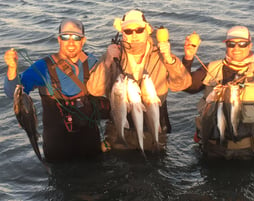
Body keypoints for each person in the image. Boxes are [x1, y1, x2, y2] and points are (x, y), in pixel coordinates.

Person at [4, 18, 110, 162]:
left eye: (76, 38)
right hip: (58, 150)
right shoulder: (43, 67)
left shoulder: (91, 62)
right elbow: (13, 92)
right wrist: (12, 68)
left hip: (91, 146)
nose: (71, 43)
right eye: (65, 37)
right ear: (59, 40)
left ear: (83, 40)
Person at [87, 9, 192, 152]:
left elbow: (182, 84)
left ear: (147, 30)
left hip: (153, 124)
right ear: (122, 33)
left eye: (139, 30)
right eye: (128, 31)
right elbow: (94, 90)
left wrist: (169, 59)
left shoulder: (161, 54)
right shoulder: (112, 54)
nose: (134, 35)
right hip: (120, 126)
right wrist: (107, 61)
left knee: (154, 168)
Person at [184, 26, 254, 160]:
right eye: (231, 44)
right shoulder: (210, 67)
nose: (236, 48)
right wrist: (188, 58)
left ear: (250, 45)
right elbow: (187, 87)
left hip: (246, 153)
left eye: (242, 44)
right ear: (226, 45)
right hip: (211, 150)